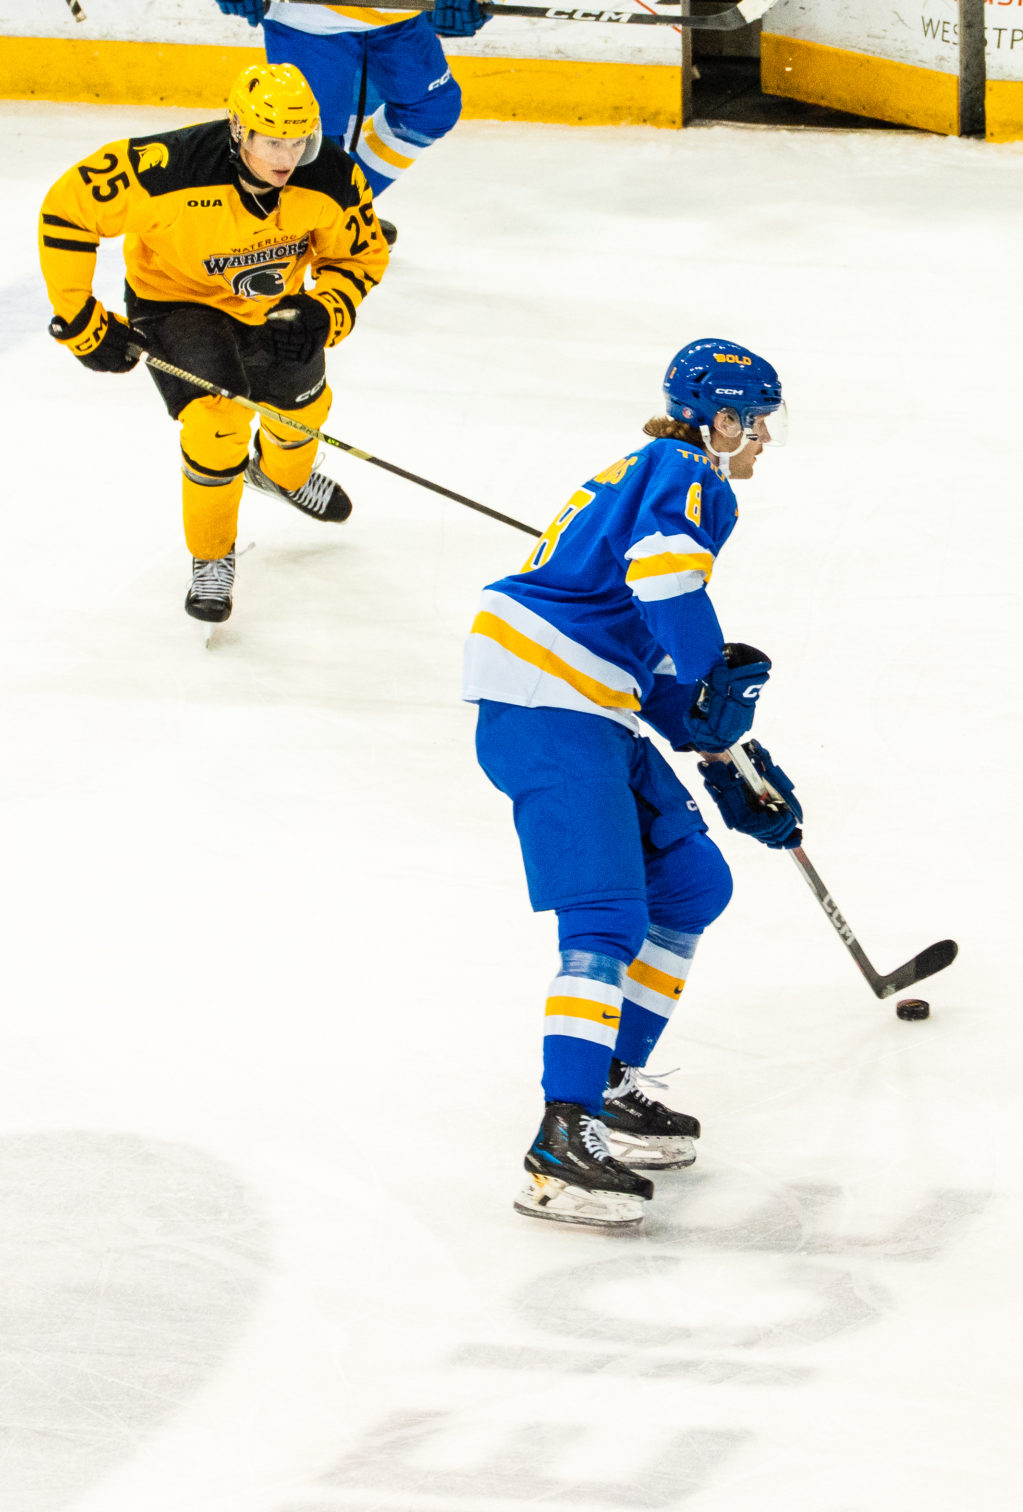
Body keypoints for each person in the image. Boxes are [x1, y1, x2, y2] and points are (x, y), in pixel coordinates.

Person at [466, 339, 804, 1230]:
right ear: (720, 419)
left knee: (693, 882)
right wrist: (713, 681)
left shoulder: (657, 473)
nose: (765, 438)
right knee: (608, 916)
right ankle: (561, 1138)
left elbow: (648, 663)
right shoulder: (688, 470)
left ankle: (608, 1084)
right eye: (758, 421)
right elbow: (664, 581)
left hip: (588, 697)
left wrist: (725, 749)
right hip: (547, 701)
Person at [41, 61, 388, 624]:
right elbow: (67, 208)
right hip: (176, 303)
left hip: (275, 308)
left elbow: (360, 256)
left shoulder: (329, 176)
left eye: (299, 140)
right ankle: (211, 556)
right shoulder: (167, 168)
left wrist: (325, 312)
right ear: (238, 130)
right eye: (272, 140)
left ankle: (281, 477)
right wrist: (80, 318)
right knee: (216, 425)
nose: (287, 157)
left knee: (302, 413)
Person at [211, 1, 491, 237]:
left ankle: (339, 208)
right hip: (308, 20)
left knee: (430, 109)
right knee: (310, 142)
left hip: (397, 17)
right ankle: (297, 221)